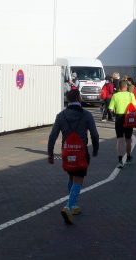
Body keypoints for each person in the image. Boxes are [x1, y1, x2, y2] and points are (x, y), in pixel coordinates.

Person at [47, 88, 100, 225]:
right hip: (81, 152)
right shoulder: (86, 115)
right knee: (78, 179)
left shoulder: (61, 115)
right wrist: (95, 148)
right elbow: (94, 134)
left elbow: (53, 135)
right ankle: (68, 207)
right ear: (79, 98)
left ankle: (75, 205)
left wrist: (50, 153)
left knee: (71, 176)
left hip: (67, 151)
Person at [108, 79, 136, 168]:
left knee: (119, 140)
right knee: (128, 139)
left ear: (119, 87)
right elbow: (135, 106)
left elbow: (111, 109)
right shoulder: (130, 95)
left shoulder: (115, 95)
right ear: (126, 86)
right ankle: (128, 157)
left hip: (119, 117)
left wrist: (113, 114)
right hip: (128, 117)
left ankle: (120, 161)